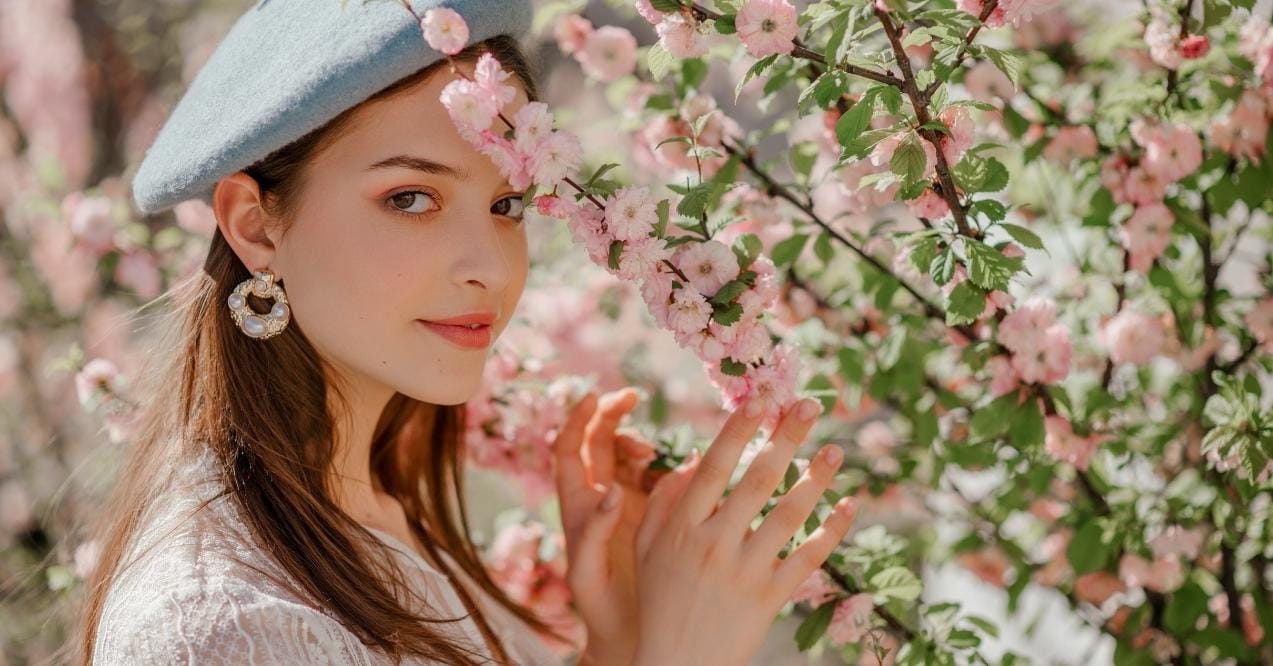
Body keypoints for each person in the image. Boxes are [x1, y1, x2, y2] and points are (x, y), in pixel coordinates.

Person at [76, 1, 859, 664]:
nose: (490, 266)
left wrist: (619, 645)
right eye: (411, 198)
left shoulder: (376, 514)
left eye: (507, 204)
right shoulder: (222, 627)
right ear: (255, 226)